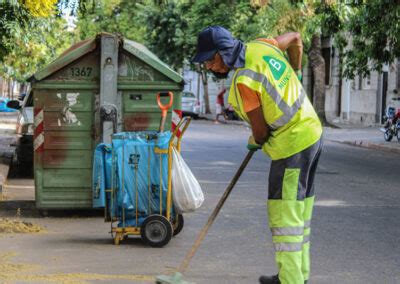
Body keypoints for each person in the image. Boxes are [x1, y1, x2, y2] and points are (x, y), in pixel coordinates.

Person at [192, 26, 323, 284]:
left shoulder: (244, 81)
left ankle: (292, 281)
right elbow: (296, 38)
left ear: (224, 53)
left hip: (292, 145)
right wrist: (295, 72)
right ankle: (295, 275)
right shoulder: (263, 45)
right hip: (313, 133)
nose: (208, 66)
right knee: (300, 215)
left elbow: (261, 132)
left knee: (285, 217)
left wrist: (255, 139)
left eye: (210, 59)